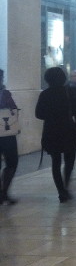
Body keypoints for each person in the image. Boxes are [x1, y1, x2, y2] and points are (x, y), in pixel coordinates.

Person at [36, 67, 76, 203]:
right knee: (69, 160)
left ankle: (61, 191)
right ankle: (66, 186)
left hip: (51, 131)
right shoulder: (69, 92)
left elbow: (38, 114)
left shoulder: (45, 94)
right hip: (68, 130)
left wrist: (51, 115)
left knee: (55, 162)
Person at [0, 69, 19, 205]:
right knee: (12, 162)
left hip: (6, 133)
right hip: (6, 133)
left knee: (11, 162)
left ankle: (3, 193)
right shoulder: (5, 94)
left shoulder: (5, 93)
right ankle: (4, 193)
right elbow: (13, 110)